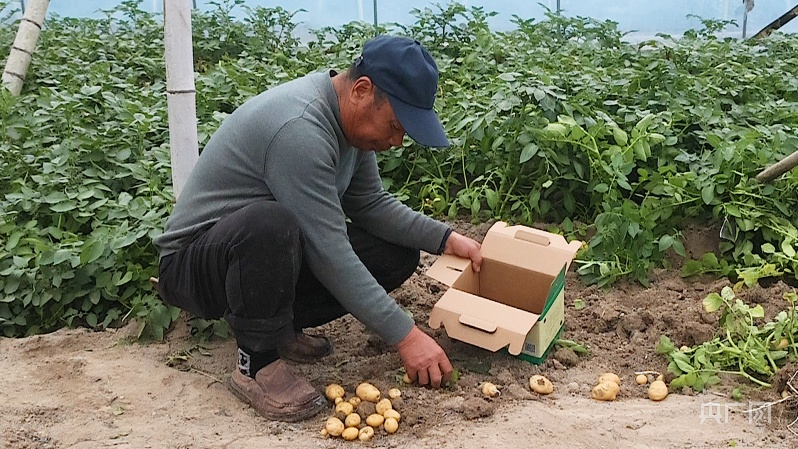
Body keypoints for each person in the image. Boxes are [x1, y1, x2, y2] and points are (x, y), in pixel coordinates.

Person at [152, 35, 482, 422]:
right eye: (395, 126)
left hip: (253, 261)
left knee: (394, 252)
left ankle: (279, 328)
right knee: (271, 223)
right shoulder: (299, 129)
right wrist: (406, 336)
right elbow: (329, 250)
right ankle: (255, 363)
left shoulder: (349, 128)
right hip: (195, 264)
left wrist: (444, 238)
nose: (395, 141)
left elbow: (370, 205)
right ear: (362, 90)